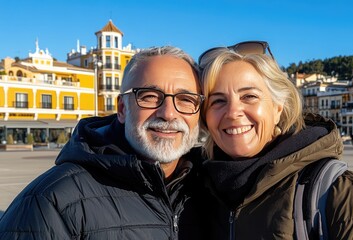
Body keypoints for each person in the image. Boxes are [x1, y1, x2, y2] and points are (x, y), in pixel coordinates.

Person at [197, 41, 353, 239]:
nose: (233, 113)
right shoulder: (196, 191)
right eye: (218, 101)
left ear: (278, 108)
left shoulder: (339, 193)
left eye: (249, 96)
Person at [0, 46, 205, 239]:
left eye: (186, 99)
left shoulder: (209, 190)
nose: (168, 113)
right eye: (150, 96)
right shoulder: (50, 202)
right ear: (123, 109)